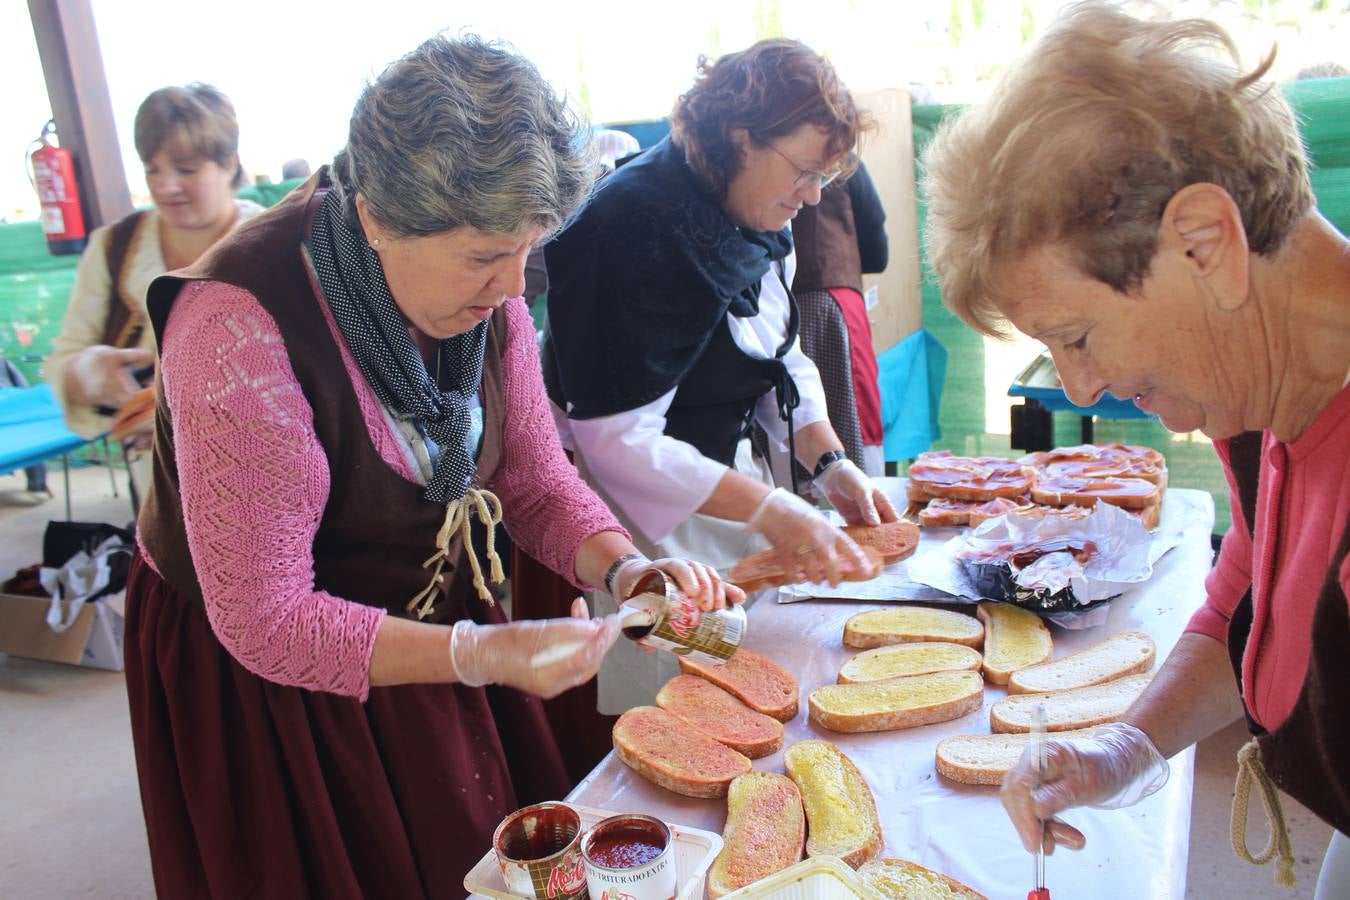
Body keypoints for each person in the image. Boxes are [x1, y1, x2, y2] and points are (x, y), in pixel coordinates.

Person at [124, 35, 740, 896]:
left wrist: (624, 565)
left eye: (529, 250)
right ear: (376, 215)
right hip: (267, 662)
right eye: (486, 256)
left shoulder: (486, 291)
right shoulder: (238, 324)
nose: (513, 287)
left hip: (426, 609)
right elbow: (267, 617)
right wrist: (477, 654)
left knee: (463, 846)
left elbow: (529, 475)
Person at [921, 3, 1350, 895]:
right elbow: (1249, 591)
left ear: (1204, 244)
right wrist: (1122, 751)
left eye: (1076, 336)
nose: (1076, 389)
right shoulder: (1267, 391)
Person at [544, 38, 897, 713]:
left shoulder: (758, 213)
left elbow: (777, 358)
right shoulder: (633, 226)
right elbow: (616, 440)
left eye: (826, 173)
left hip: (716, 482)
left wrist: (829, 465)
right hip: (636, 518)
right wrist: (769, 507)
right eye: (803, 169)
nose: (815, 193)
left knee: (753, 667)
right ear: (740, 138)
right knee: (680, 694)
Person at [46, 84, 261, 500]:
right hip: (156, 488)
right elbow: (65, 356)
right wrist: (89, 374)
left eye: (185, 168)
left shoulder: (275, 243)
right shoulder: (114, 247)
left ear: (229, 163)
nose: (166, 187)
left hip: (262, 476)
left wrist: (181, 417)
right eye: (152, 169)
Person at [791, 157, 888, 476]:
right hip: (834, 300)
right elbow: (877, 253)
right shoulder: (845, 162)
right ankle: (864, 500)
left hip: (780, 303)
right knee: (853, 417)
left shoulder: (760, 149)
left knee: (789, 417)